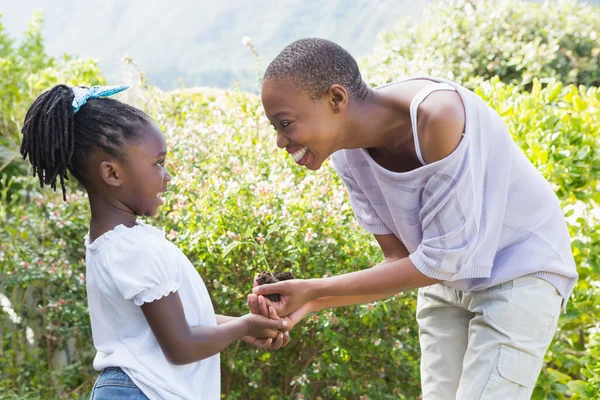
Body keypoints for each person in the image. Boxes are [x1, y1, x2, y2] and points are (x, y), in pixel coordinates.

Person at [249, 38, 578, 399]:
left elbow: (440, 258)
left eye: (285, 123)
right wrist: (307, 303)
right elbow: (402, 259)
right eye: (275, 128)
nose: (281, 141)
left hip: (519, 270)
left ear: (336, 99)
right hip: (447, 279)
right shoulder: (346, 156)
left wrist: (314, 291)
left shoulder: (437, 117)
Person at [20, 84, 289, 400]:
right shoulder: (133, 250)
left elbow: (172, 323)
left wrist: (244, 327)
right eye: (157, 163)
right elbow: (181, 346)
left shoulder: (118, 243)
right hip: (142, 392)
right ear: (112, 173)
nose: (167, 176)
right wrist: (243, 327)